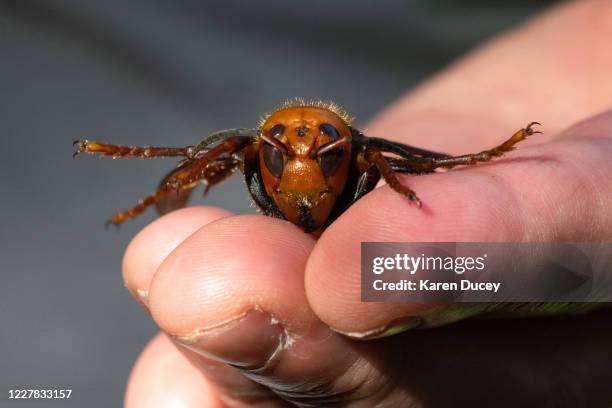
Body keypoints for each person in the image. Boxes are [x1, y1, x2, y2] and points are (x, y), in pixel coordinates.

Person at [123, 1, 612, 406]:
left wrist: (481, 159)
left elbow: (424, 160)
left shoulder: (366, 154)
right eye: (283, 149)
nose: (302, 162)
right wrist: (154, 169)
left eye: (323, 148)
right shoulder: (247, 150)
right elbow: (210, 155)